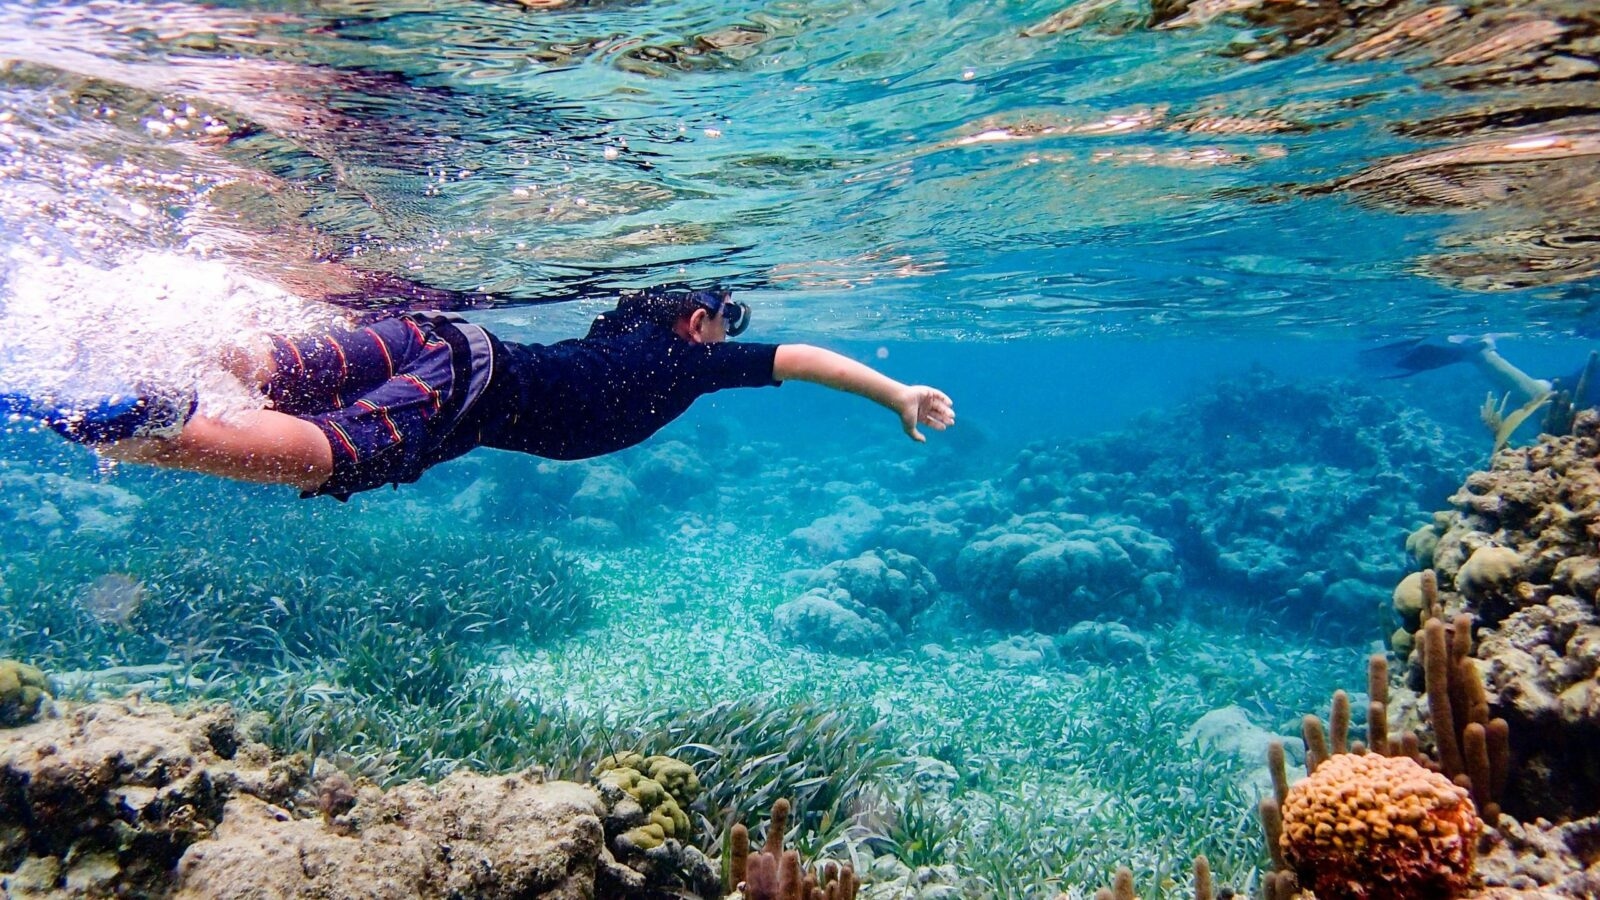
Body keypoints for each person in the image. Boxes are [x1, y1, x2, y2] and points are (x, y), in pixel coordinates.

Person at [14, 285, 956, 500]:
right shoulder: (689, 360)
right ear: (695, 321)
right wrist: (896, 392)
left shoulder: (611, 341)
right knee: (333, 456)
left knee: (280, 364)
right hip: (473, 380)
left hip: (444, 341)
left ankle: (131, 344)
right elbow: (809, 359)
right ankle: (159, 428)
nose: (731, 334)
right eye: (723, 316)